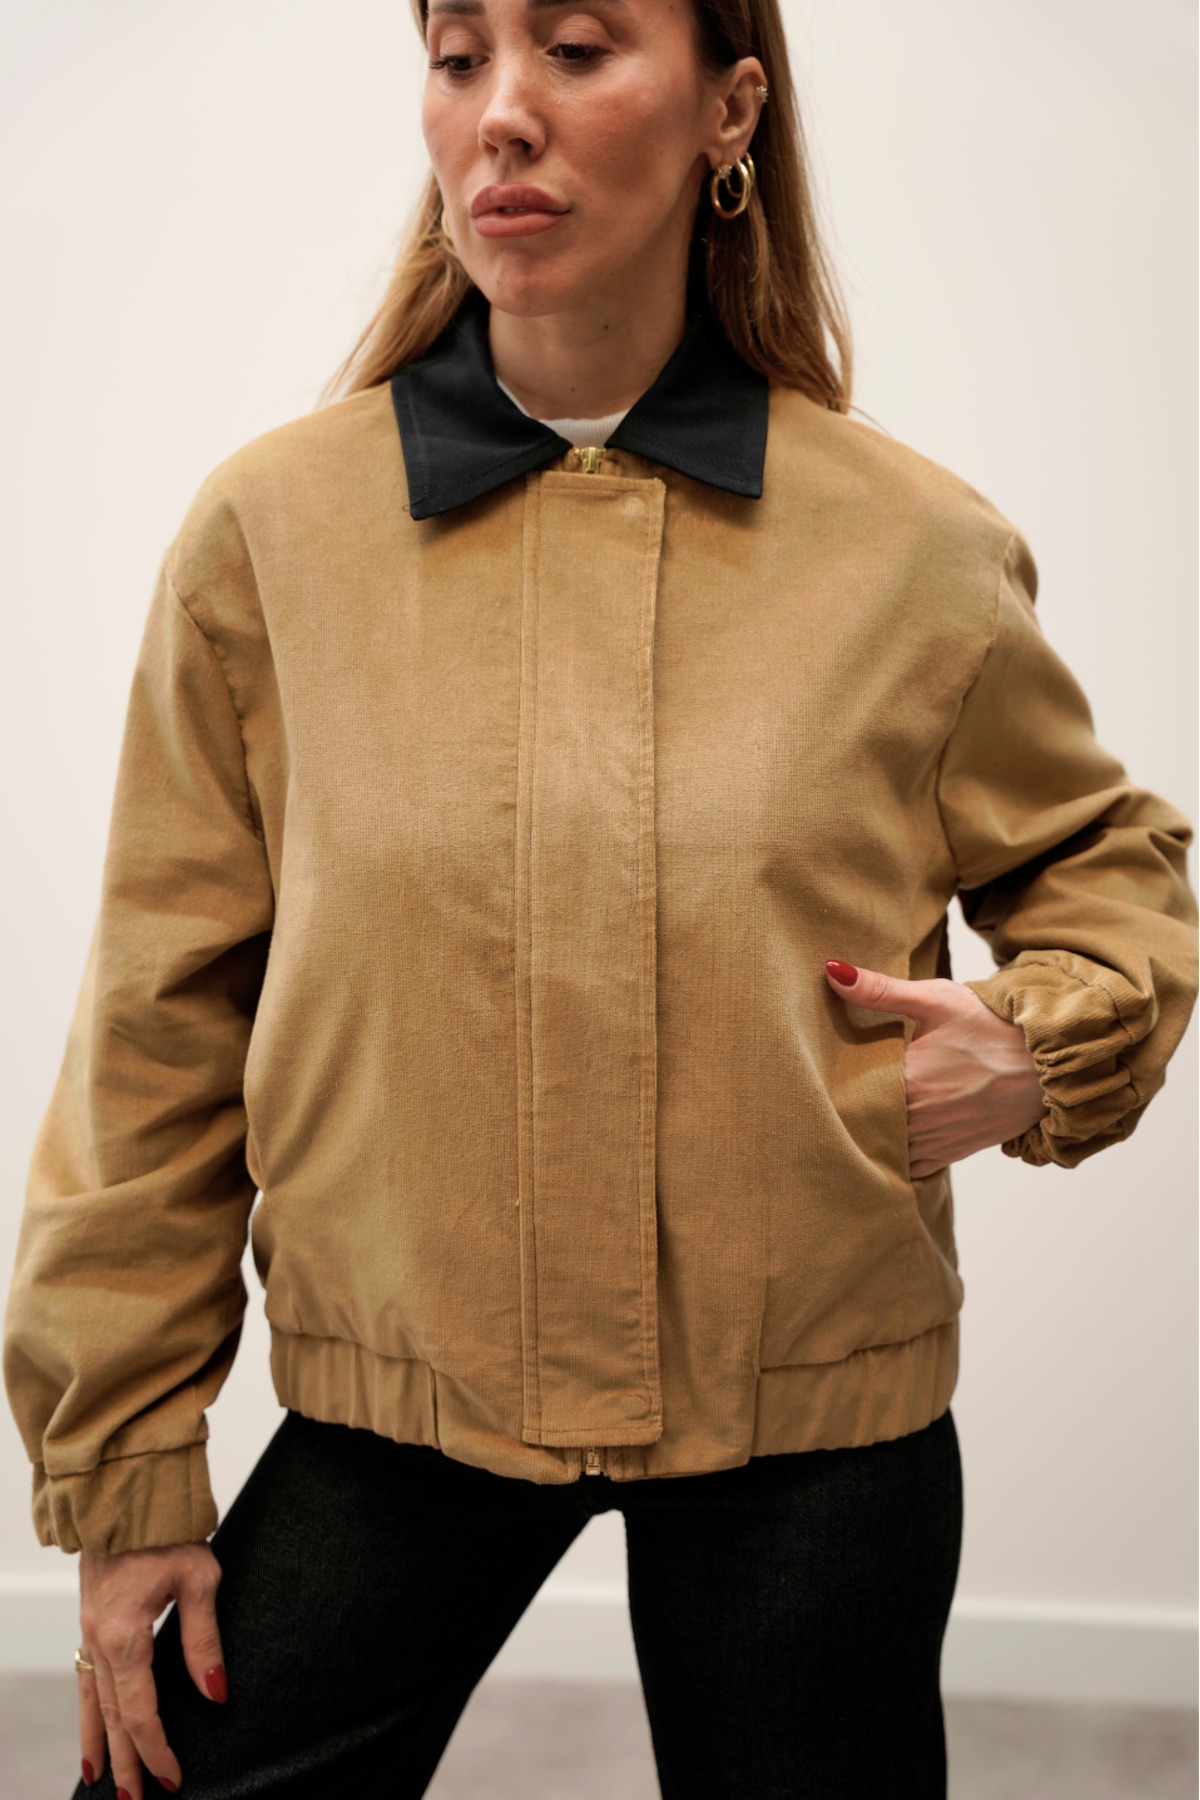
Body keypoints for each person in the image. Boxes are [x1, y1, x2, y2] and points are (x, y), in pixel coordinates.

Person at [4, 0, 1196, 1793]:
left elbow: (1109, 868)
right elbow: (158, 1018)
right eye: (458, 55)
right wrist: (127, 1470)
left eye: (573, 48)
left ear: (731, 107)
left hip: (816, 1417)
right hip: (399, 1392)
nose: (502, 114)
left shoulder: (914, 551)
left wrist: (1042, 1038)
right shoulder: (270, 537)